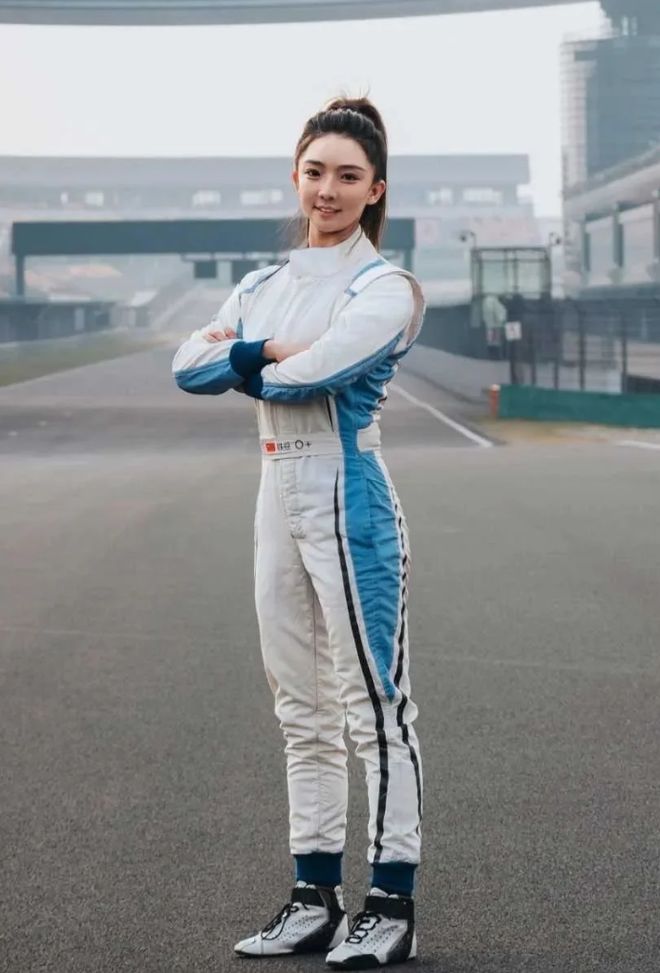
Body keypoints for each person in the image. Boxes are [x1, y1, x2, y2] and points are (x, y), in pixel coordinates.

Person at [172, 96, 425, 970]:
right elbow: (187, 365)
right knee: (299, 707)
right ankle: (314, 895)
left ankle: (390, 903)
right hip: (274, 490)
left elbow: (313, 373)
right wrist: (259, 352)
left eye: (348, 176)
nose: (328, 189)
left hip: (349, 493)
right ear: (295, 175)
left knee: (374, 704)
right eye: (315, 171)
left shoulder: (387, 288)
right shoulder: (261, 285)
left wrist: (250, 359)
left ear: (375, 189)